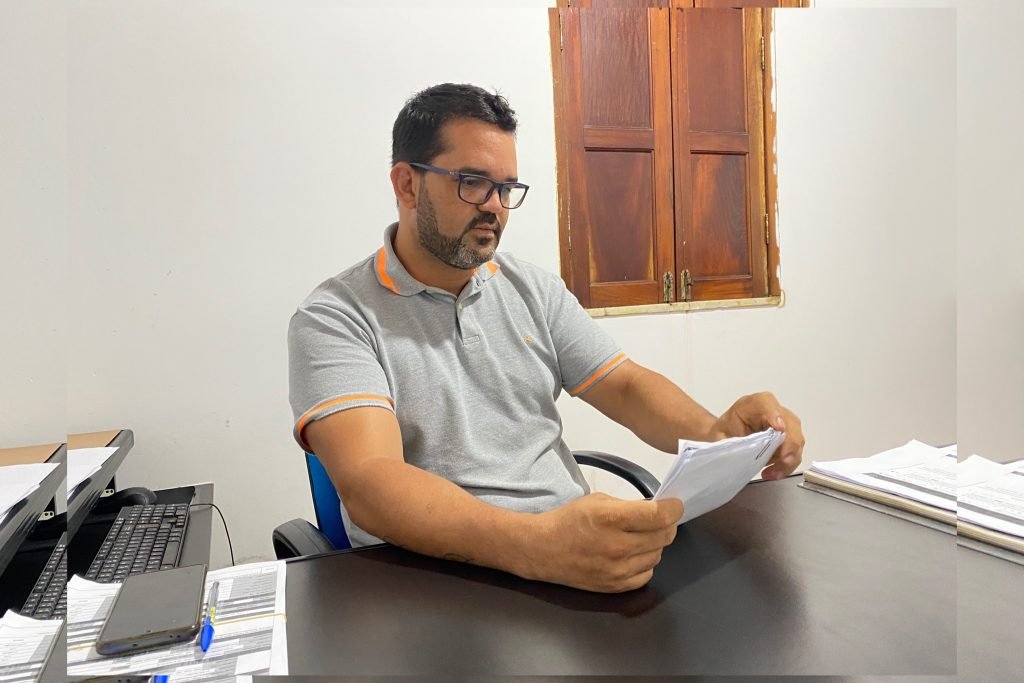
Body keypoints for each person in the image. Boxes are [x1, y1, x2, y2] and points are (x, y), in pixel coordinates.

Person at [288, 83, 804, 593]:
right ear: (407, 185)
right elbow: (371, 481)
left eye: (506, 188)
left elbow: (624, 386)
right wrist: (534, 546)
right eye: (473, 182)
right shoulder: (336, 317)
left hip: (568, 554)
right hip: (438, 579)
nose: (495, 206)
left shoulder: (531, 288)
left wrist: (719, 436)